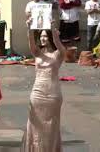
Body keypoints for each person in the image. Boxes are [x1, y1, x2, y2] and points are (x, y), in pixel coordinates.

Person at [22, 18, 66, 152]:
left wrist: (53, 31)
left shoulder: (58, 54)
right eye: (41, 36)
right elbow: (31, 43)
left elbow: (59, 45)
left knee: (51, 125)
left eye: (45, 36)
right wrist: (29, 28)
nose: (42, 39)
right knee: (35, 123)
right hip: (37, 92)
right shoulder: (37, 53)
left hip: (53, 94)